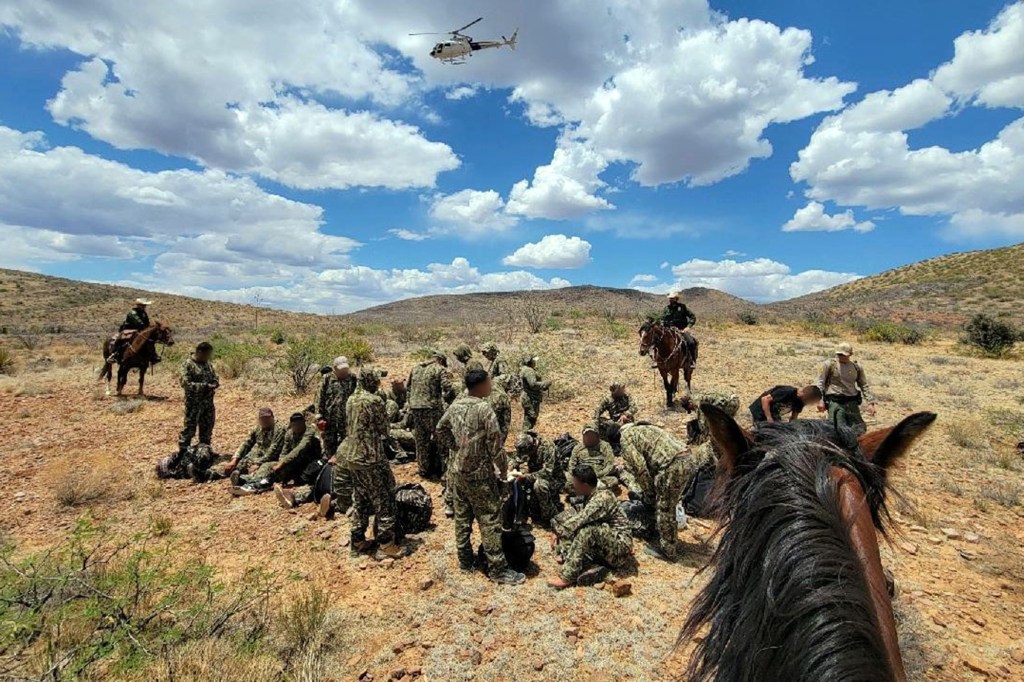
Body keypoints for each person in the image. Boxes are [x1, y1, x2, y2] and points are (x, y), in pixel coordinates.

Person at [436, 369, 525, 585]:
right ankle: (497, 569)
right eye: (489, 382)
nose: (491, 385)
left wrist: (457, 449)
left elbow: (440, 429)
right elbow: (496, 446)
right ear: (481, 385)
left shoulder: (455, 405)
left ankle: (465, 561)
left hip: (458, 473)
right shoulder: (484, 409)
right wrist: (503, 472)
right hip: (480, 475)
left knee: (462, 516)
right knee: (490, 520)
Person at [341, 369, 404, 559]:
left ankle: (357, 540)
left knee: (360, 499)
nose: (379, 383)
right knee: (384, 499)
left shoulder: (351, 399)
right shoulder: (374, 400)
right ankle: (386, 545)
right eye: (377, 380)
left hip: (352, 457)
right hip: (371, 458)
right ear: (371, 381)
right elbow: (384, 429)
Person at [618, 423, 697, 561]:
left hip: (672, 465)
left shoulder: (626, 438)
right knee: (669, 505)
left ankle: (668, 551)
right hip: (687, 459)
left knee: (665, 508)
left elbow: (640, 469)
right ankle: (670, 539)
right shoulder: (646, 428)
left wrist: (648, 492)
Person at [547, 465, 633, 589]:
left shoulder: (602, 499)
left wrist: (559, 531)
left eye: (575, 484)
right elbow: (575, 511)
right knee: (573, 530)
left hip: (619, 551)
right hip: (607, 545)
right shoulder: (593, 491)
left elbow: (580, 520)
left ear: (585, 486)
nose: (573, 487)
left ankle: (567, 577)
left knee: (587, 531)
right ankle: (596, 571)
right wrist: (556, 526)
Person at [232, 413, 321, 496]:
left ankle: (257, 486)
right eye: (295, 425)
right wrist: (280, 463)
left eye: (299, 425)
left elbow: (299, 449)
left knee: (283, 468)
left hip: (307, 462)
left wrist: (282, 463)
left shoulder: (309, 432)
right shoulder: (289, 434)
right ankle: (247, 482)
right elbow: (284, 451)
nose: (297, 427)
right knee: (268, 466)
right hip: (293, 462)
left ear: (303, 423)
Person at [407, 350, 455, 479]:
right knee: (441, 439)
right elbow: (447, 388)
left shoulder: (416, 368)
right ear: (441, 360)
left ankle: (423, 470)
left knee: (421, 441)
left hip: (416, 408)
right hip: (432, 409)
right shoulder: (439, 369)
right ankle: (445, 471)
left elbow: (408, 388)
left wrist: (411, 404)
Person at [205, 407, 286, 482]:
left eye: (267, 418)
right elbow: (246, 444)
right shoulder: (257, 429)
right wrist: (235, 460)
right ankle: (209, 473)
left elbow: (273, 451)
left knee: (264, 469)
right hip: (259, 456)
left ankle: (243, 480)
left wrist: (258, 463)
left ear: (272, 418)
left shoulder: (279, 429)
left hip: (273, 459)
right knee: (238, 464)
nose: (265, 421)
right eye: (262, 419)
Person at [816, 343, 876, 435]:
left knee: (859, 429)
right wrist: (820, 401)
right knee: (834, 428)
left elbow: (863, 384)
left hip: (852, 401)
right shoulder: (829, 365)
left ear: (850, 354)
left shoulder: (856, 367)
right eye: (839, 354)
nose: (841, 356)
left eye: (843, 355)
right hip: (835, 401)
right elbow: (820, 383)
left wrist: (870, 403)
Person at [511, 431, 565, 526]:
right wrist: (511, 469)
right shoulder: (524, 444)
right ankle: (522, 513)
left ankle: (551, 517)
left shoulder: (548, 447)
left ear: (533, 446)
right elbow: (516, 460)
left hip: (554, 479)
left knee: (539, 485)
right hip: (535, 476)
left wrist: (527, 477)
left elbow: (548, 472)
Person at [177, 342, 218, 458]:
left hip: (208, 402)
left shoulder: (207, 364)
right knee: (189, 428)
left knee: (207, 427)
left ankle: (204, 452)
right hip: (193, 403)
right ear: (199, 352)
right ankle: (183, 453)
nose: (208, 357)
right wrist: (204, 386)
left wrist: (215, 382)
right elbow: (185, 383)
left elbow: (214, 376)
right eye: (206, 355)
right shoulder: (188, 364)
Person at [316, 356, 357, 458]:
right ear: (335, 368)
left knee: (346, 442)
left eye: (345, 369)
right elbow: (319, 398)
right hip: (329, 418)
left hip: (347, 418)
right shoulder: (327, 379)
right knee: (329, 443)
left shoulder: (353, 378)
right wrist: (319, 417)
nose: (344, 372)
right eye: (341, 370)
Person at [568, 424, 621, 490]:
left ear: (596, 435)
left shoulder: (604, 446)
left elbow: (610, 464)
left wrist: (597, 475)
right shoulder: (578, 448)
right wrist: (577, 477)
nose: (589, 437)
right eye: (587, 435)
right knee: (568, 482)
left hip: (599, 477)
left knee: (614, 481)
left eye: (591, 435)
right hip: (581, 477)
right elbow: (572, 465)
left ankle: (589, 490)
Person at [659, 292, 699, 367]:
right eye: (670, 298)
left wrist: (688, 327)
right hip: (669, 329)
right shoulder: (666, 309)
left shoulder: (683, 307)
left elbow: (692, 317)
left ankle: (692, 361)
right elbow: (662, 319)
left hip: (681, 329)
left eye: (672, 298)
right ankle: (658, 360)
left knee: (691, 342)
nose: (670, 300)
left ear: (676, 299)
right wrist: (663, 325)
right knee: (658, 341)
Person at [749, 385, 822, 426]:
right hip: (758, 412)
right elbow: (764, 400)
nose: (810, 403)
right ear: (807, 395)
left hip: (773, 415)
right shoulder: (787, 391)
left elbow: (793, 418)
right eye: (811, 401)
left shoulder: (801, 402)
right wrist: (769, 418)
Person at [108, 298, 153, 363]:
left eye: (145, 305)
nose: (144, 306)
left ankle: (152, 356)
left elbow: (147, 323)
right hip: (128, 330)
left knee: (150, 340)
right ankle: (115, 354)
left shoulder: (144, 313)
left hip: (140, 330)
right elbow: (139, 323)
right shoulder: (132, 313)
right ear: (138, 305)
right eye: (143, 305)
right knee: (122, 340)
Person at [519, 356, 550, 431]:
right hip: (531, 399)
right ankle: (524, 438)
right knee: (529, 421)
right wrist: (545, 384)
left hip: (531, 398)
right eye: (534, 361)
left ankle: (526, 437)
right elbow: (533, 384)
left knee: (530, 420)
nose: (535, 362)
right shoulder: (528, 370)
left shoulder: (527, 369)